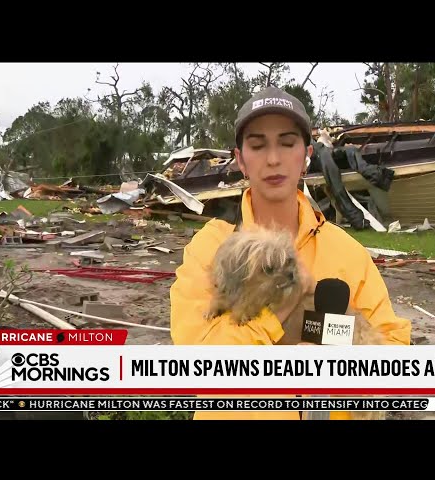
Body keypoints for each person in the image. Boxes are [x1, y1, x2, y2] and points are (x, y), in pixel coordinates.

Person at [170, 86, 411, 420]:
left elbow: (393, 356)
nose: (273, 159)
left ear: (306, 155)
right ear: (240, 159)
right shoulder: (210, 249)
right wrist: (277, 312)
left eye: (287, 143)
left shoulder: (347, 253)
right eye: (257, 145)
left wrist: (344, 366)